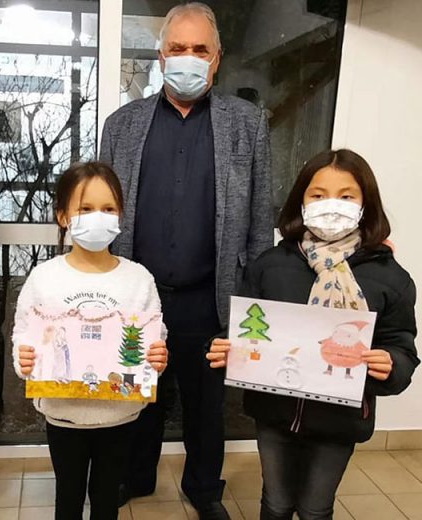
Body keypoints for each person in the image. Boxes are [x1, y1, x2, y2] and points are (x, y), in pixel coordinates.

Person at [99, 3, 272, 517]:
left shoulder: (248, 124)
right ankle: (136, 477)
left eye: (200, 49)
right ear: (161, 56)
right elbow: (102, 208)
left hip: (209, 296)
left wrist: (254, 302)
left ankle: (204, 489)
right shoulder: (121, 125)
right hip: (138, 296)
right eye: (178, 48)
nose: (188, 58)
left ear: (216, 58)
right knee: (139, 393)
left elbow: (259, 219)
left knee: (205, 408)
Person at [207, 149, 419, 519]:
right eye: (318, 195)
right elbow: (242, 330)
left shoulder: (389, 278)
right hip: (274, 413)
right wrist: (225, 349)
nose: (331, 205)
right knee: (275, 502)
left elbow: (401, 346)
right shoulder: (270, 266)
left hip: (341, 419)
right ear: (301, 202)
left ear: (366, 205)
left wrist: (392, 364)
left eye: (346, 196)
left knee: (315, 508)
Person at [12, 162, 169, 520]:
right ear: (63, 216)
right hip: (63, 415)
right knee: (67, 498)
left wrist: (158, 358)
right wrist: (24, 361)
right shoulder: (44, 277)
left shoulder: (138, 279)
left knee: (106, 500)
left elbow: (155, 337)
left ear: (120, 215)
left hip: (120, 415)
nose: (98, 217)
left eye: (108, 208)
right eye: (85, 208)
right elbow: (23, 333)